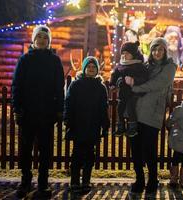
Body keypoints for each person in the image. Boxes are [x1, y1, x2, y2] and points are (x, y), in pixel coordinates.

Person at [12, 25, 65, 198]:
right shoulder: (25, 60)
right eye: (39, 37)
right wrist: (17, 109)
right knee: (26, 150)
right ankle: (25, 182)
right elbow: (17, 86)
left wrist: (59, 110)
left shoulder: (54, 61)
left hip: (47, 114)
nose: (42, 40)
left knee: (45, 150)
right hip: (28, 113)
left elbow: (59, 87)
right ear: (33, 40)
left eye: (45, 37)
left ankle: (43, 183)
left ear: (48, 41)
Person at [125, 37, 177, 195]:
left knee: (149, 149)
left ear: (165, 51)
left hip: (152, 113)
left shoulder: (169, 67)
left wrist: (135, 88)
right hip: (136, 112)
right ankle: (139, 179)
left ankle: (153, 179)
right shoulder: (146, 65)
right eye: (154, 49)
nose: (157, 52)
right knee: (136, 148)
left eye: (160, 49)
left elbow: (157, 84)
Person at [64, 56, 110, 195]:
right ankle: (74, 181)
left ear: (97, 70)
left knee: (90, 155)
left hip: (93, 125)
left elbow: (103, 107)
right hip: (79, 124)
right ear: (84, 69)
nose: (91, 69)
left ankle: (86, 180)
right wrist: (68, 119)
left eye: (93, 67)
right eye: (89, 67)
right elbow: (69, 102)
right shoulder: (76, 85)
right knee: (77, 154)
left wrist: (105, 124)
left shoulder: (101, 87)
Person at [110, 41, 147, 137]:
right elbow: (114, 75)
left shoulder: (139, 66)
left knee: (131, 108)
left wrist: (134, 81)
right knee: (120, 108)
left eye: (127, 53)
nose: (124, 55)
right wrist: (113, 84)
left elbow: (144, 77)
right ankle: (121, 126)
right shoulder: (120, 65)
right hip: (123, 92)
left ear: (133, 54)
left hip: (134, 92)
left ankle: (132, 127)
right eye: (123, 53)